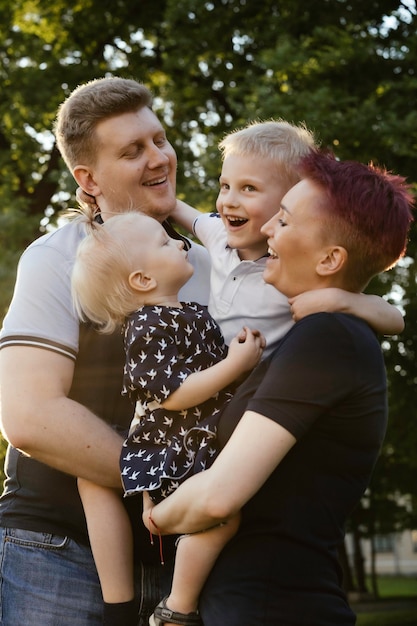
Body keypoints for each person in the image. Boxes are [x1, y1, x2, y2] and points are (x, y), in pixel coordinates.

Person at [142, 150, 414, 625]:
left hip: (275, 607)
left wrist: (154, 518)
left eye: (284, 222)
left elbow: (218, 498)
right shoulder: (314, 335)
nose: (267, 229)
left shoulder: (329, 338)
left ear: (331, 259)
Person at [0, 77, 212, 626]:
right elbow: (29, 416)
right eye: (132, 150)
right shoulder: (56, 259)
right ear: (87, 179)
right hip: (55, 550)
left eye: (159, 140)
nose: (158, 157)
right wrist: (171, 483)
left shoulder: (206, 263)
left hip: (186, 561)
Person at [71, 210, 264, 626]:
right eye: (164, 243)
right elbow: (172, 395)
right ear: (142, 280)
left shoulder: (191, 312)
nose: (179, 243)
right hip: (179, 450)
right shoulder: (147, 324)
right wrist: (237, 364)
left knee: (227, 514)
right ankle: (178, 605)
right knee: (220, 520)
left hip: (200, 439)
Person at [172, 120, 405, 356]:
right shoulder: (218, 234)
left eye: (249, 188)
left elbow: (395, 321)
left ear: (291, 198)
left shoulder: (293, 272)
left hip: (253, 386)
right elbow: (172, 206)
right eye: (225, 186)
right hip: (201, 370)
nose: (229, 201)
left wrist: (340, 299)